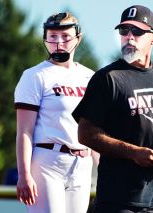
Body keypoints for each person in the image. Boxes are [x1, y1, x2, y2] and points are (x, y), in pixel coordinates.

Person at [72, 5, 153, 213]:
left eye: (138, 31)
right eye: (124, 31)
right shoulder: (107, 78)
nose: (129, 37)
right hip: (118, 199)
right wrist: (133, 153)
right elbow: (85, 133)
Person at [14, 12, 96, 213]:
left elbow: (94, 129)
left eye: (66, 36)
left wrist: (104, 168)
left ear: (78, 38)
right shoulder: (34, 76)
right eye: (53, 36)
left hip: (82, 163)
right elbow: (24, 131)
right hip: (48, 161)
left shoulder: (90, 76)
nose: (59, 42)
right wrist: (24, 174)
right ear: (45, 38)